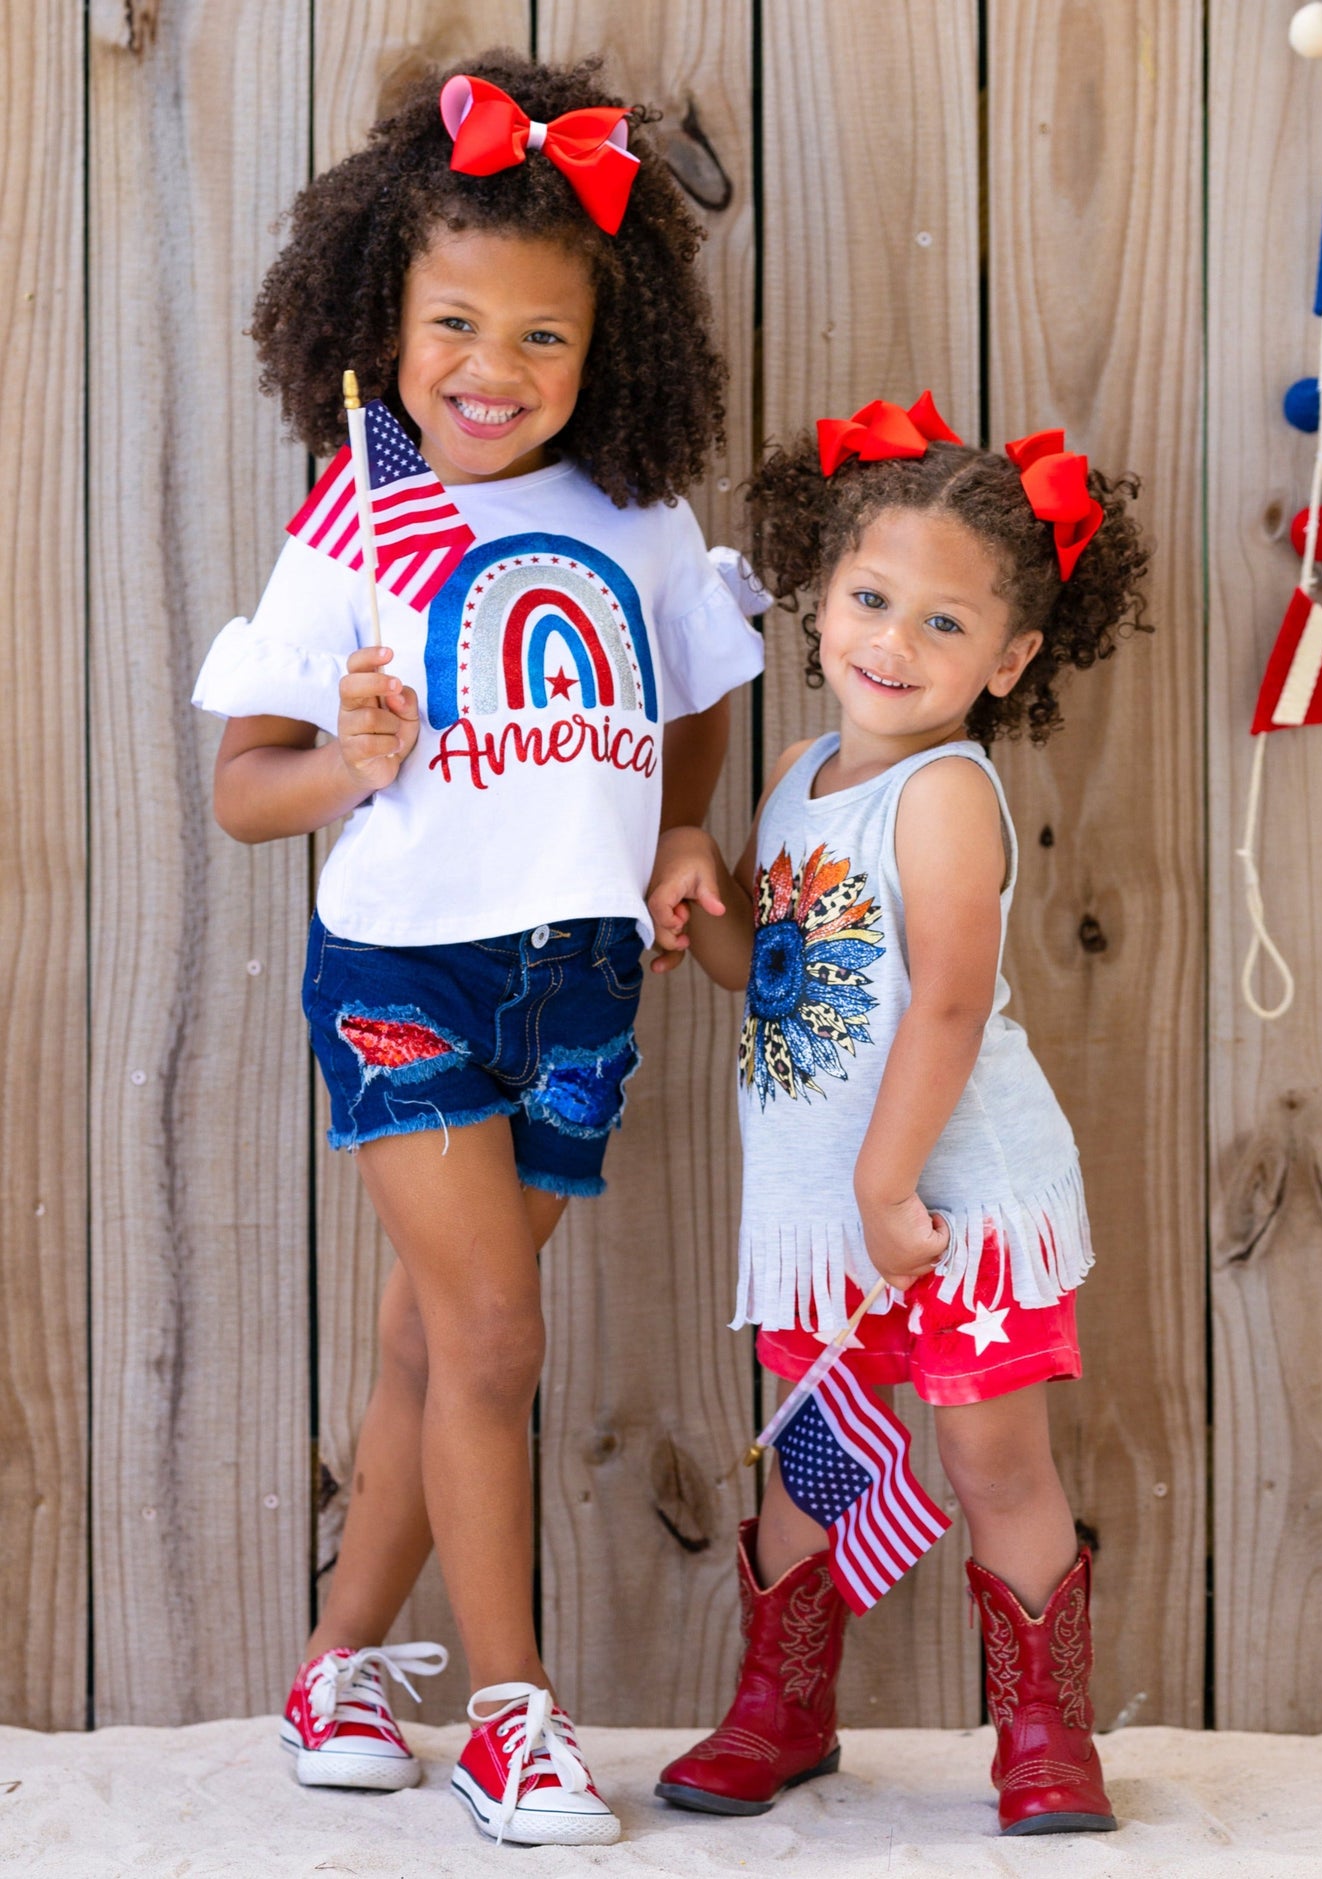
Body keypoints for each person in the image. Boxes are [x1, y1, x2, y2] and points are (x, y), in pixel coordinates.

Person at [193, 50, 764, 1848]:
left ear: (605, 351)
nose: (490, 368)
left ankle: (335, 1666)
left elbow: (696, 694)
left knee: (431, 1348)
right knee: (497, 1336)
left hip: (576, 985)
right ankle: (517, 1715)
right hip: (407, 979)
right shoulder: (353, 525)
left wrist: (681, 830)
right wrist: (346, 766)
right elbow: (243, 790)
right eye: (453, 323)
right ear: (384, 318)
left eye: (540, 336)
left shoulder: (638, 520)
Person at [646, 395, 1149, 1836]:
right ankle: (785, 1707)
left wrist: (886, 1190)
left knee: (995, 1459)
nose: (894, 642)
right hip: (833, 1209)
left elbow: (945, 1004)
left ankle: (1043, 1733)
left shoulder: (942, 794)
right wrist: (696, 885)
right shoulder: (800, 779)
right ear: (819, 599)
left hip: (952, 1202)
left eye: (945, 623)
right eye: (871, 600)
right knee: (816, 1456)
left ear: (1011, 658)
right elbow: (772, 968)